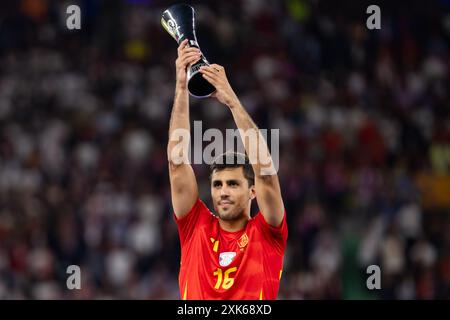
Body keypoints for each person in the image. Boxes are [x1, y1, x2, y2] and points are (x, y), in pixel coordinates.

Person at [168, 39, 287, 300]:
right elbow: (176, 163)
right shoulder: (195, 226)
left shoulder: (267, 233)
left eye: (233, 184)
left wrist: (232, 102)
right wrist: (180, 84)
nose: (223, 191)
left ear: (252, 191)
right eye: (217, 184)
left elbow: (266, 173)